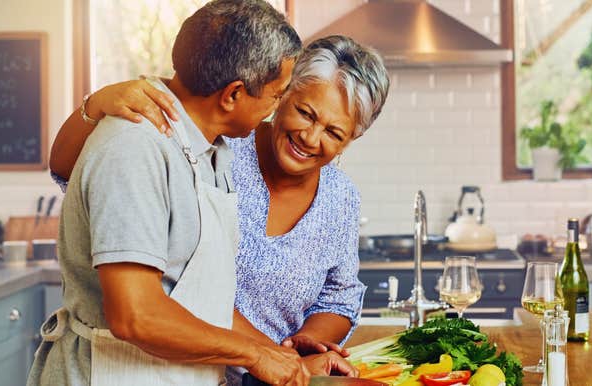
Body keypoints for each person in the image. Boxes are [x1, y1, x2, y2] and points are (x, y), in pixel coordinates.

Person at [28, 1, 354, 385]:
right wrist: (254, 355)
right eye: (276, 94)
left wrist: (284, 359)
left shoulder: (212, 152)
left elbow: (202, 299)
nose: (277, 108)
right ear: (233, 94)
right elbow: (136, 315)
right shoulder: (135, 146)